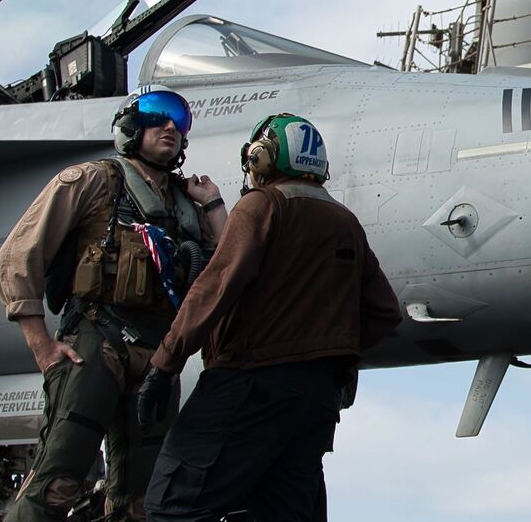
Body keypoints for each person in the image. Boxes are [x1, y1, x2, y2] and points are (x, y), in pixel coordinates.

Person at [140, 113, 402, 521]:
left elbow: (216, 287)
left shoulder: (261, 206)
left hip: (249, 384)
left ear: (263, 159)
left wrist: (164, 364)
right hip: (316, 401)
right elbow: (385, 312)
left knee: (171, 506)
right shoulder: (344, 221)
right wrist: (323, 351)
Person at [0, 85, 226, 521]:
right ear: (130, 126)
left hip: (158, 357)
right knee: (58, 480)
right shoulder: (93, 181)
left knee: (144, 500)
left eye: (180, 118)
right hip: (96, 342)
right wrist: (42, 346)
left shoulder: (186, 204)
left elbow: (222, 270)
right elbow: (16, 257)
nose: (171, 125)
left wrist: (212, 205)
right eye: (158, 114)